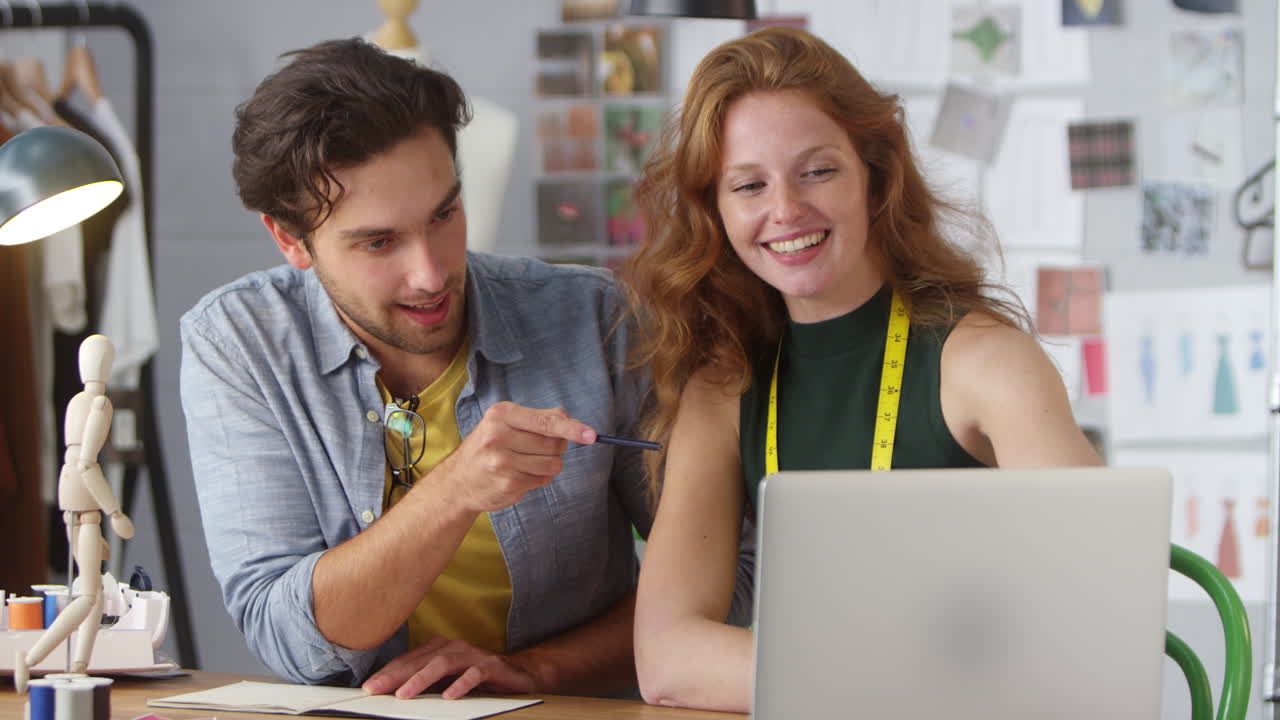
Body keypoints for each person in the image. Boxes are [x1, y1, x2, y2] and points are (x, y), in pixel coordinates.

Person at [621, 27, 1102, 713]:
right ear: (715, 213)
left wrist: (826, 675)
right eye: (749, 185)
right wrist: (904, 679)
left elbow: (1098, 608)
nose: (785, 210)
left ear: (874, 175)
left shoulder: (984, 362)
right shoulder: (723, 390)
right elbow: (667, 658)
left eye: (818, 170)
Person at [180, 38, 658, 700]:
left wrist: (539, 670)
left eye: (445, 214)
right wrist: (456, 488)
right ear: (290, 240)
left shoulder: (593, 318)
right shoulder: (239, 342)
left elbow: (722, 577)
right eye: (378, 242)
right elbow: (290, 639)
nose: (431, 273)